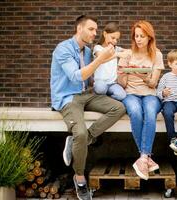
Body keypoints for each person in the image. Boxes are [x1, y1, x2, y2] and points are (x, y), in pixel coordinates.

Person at [50, 15, 126, 200]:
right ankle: (80, 178)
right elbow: (77, 76)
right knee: (80, 134)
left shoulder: (87, 51)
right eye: (91, 29)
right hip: (67, 98)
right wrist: (100, 60)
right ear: (79, 29)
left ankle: (83, 140)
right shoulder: (63, 49)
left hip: (85, 94)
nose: (95, 33)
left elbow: (92, 74)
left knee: (119, 108)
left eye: (95, 30)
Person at [118, 20, 164, 180]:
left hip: (150, 94)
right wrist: (122, 72)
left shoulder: (157, 55)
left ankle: (142, 158)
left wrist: (141, 75)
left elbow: (153, 83)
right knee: (136, 112)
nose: (138, 39)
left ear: (149, 38)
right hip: (131, 94)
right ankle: (145, 158)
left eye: (142, 36)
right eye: (136, 36)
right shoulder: (127, 54)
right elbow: (122, 84)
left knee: (150, 112)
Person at [93, 22, 127, 101]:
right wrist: (116, 55)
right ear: (105, 34)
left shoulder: (116, 49)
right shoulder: (98, 48)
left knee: (122, 95)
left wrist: (148, 48)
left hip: (112, 84)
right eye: (113, 38)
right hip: (100, 82)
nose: (115, 41)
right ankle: (100, 97)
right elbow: (101, 59)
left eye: (117, 39)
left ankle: (106, 99)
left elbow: (129, 51)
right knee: (101, 88)